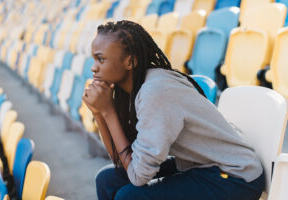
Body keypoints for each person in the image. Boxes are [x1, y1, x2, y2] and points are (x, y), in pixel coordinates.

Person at [82, 20, 265, 200]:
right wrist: (99, 113)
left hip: (234, 176)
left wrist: (107, 112)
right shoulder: (134, 89)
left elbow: (138, 177)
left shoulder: (155, 91)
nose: (93, 68)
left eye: (101, 59)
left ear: (129, 62)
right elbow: (121, 159)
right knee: (107, 180)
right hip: (199, 165)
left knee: (129, 197)